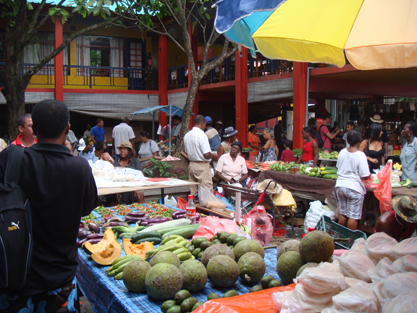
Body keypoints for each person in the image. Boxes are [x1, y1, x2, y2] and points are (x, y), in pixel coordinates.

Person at [0, 99, 97, 312]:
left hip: (12, 274)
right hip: (58, 281)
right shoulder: (80, 167)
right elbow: (87, 208)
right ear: (67, 129)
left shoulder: (11, 157)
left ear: (34, 129)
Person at [335, 130, 371, 230]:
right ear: (360, 140)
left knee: (343, 214)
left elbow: (338, 167)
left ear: (347, 140)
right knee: (353, 216)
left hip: (340, 185)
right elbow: (365, 175)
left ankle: (341, 238)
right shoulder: (360, 155)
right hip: (354, 188)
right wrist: (370, 175)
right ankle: (350, 240)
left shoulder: (342, 152)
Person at [184, 115, 217, 195]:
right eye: (205, 125)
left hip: (191, 164)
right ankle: (205, 206)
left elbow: (186, 152)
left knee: (193, 190)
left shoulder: (187, 135)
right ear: (202, 123)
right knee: (206, 191)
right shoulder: (202, 135)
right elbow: (206, 154)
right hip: (202, 166)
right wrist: (213, 155)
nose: (205, 127)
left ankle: (194, 206)